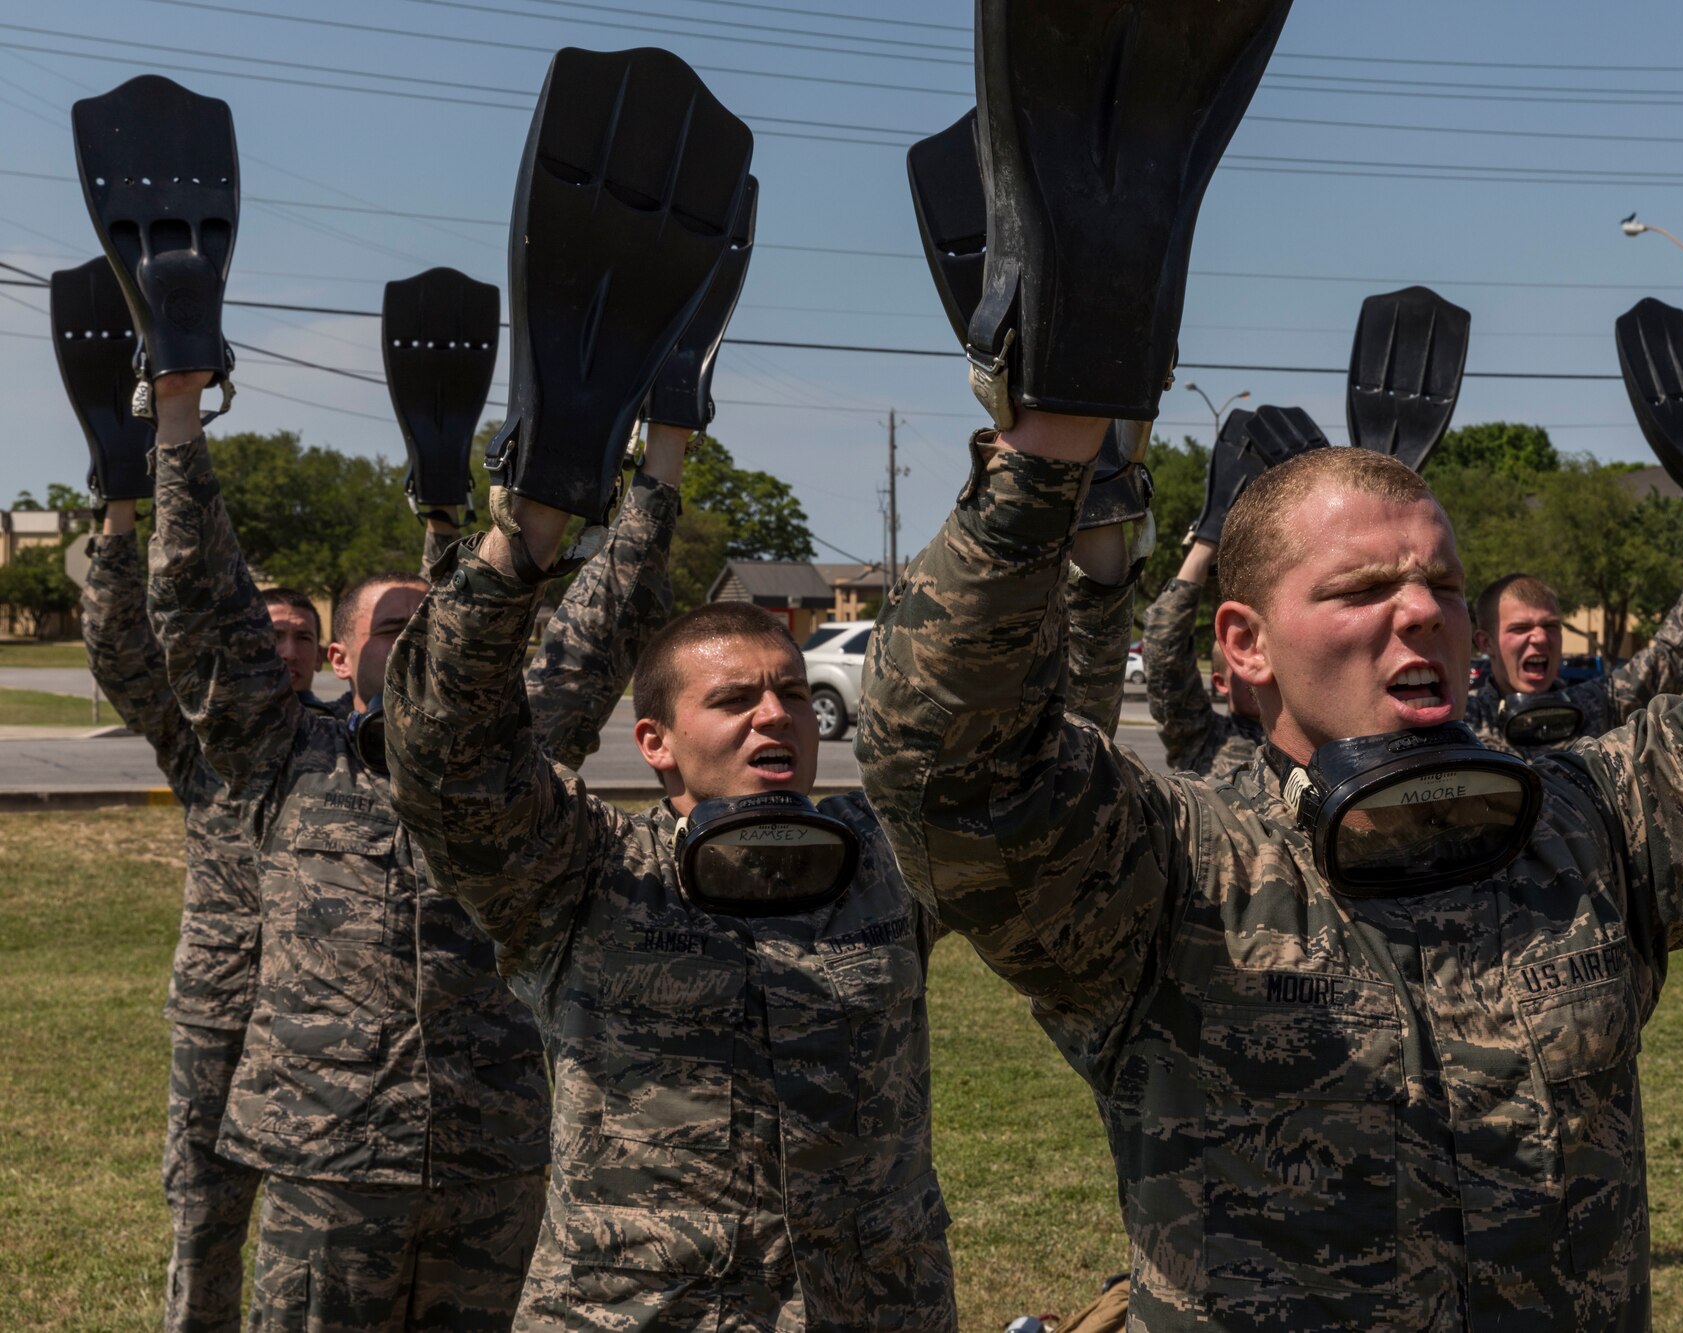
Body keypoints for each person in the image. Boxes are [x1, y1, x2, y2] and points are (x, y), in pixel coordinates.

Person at [857, 381, 1683, 1326]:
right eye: (1360, 588)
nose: (1419, 613)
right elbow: (947, 764)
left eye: (1441, 585)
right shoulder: (1171, 868)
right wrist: (1047, 439)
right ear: (1242, 646)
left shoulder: (1586, 821)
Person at [382, 424, 1139, 1328]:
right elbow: (444, 755)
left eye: (788, 693)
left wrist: (1090, 562)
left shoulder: (883, 855)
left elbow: (1038, 768)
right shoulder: (584, 870)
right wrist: (525, 532)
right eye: (735, 700)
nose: (775, 716)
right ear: (654, 742)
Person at [141, 370, 682, 1331]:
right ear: (343, 656)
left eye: (432, 618)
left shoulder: (514, 754)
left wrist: (666, 454)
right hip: (332, 1157)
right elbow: (199, 604)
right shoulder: (282, 753)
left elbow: (611, 617)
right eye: (395, 626)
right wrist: (178, 417)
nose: (421, 634)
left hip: (493, 1151)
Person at [81, 521, 330, 1332]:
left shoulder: (350, 746)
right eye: (270, 631)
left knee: (323, 1224)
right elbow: (121, 653)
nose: (285, 647)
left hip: (327, 1022)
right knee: (203, 1214)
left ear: (326, 655)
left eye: (301, 636)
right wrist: (118, 531)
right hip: (220, 1009)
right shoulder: (203, 738)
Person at [1464, 538, 1683, 757]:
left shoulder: (1596, 704)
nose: (1540, 638)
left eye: (1550, 626)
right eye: (1520, 628)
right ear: (1485, 642)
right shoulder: (1464, 722)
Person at [1143, 539, 1262, 777]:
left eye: (1263, 657)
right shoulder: (1204, 737)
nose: (1256, 669)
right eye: (1240, 663)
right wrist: (1205, 543)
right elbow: (1164, 658)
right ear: (1220, 683)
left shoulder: (1309, 736)